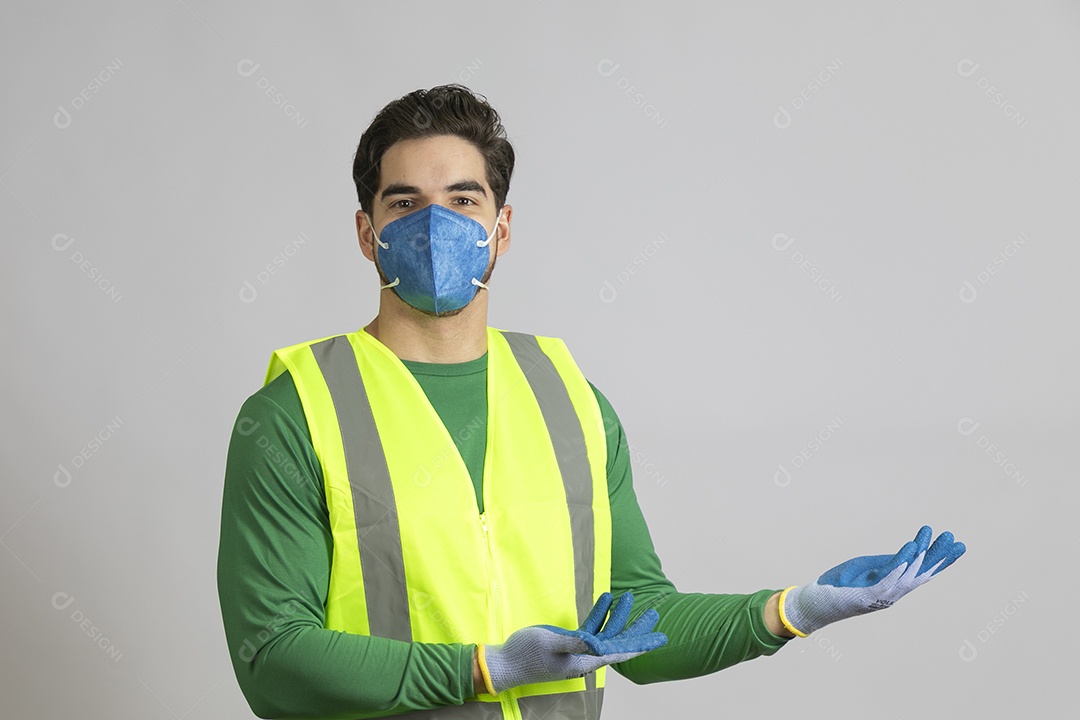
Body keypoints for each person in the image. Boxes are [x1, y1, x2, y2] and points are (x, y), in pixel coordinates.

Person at [217, 84, 966, 719]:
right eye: (405, 202)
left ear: (501, 229)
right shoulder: (295, 414)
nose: (434, 225)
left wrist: (794, 609)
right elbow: (272, 658)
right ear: (366, 232)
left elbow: (637, 625)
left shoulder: (571, 402)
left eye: (463, 199)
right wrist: (485, 669)